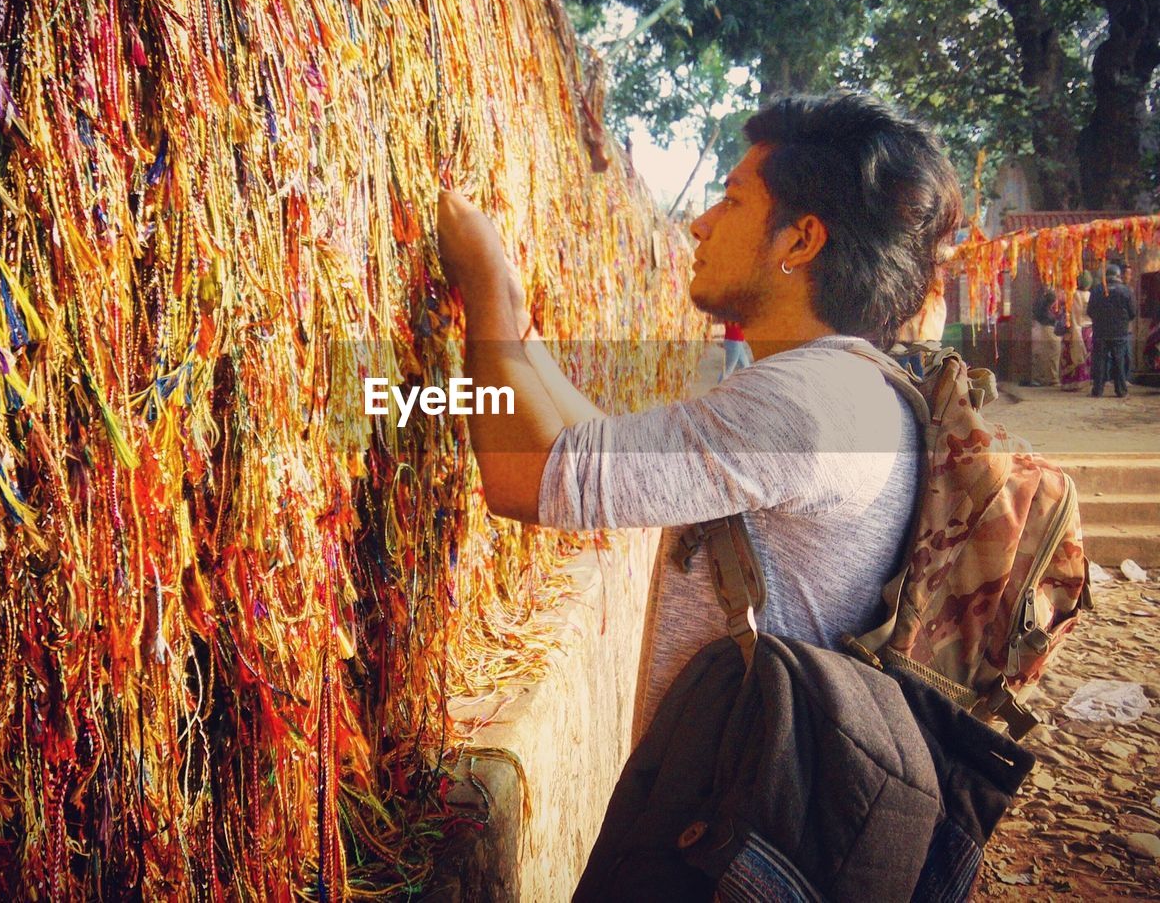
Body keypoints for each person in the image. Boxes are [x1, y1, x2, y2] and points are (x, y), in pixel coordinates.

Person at [435, 91, 963, 744]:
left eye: (734, 200)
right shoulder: (850, 386)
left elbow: (532, 475)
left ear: (801, 239)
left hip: (732, 836)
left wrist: (483, 279)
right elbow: (590, 448)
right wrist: (513, 320)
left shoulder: (805, 404)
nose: (700, 223)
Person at [1087, 263, 1137, 397]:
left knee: (1100, 361)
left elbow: (1090, 311)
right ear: (1118, 276)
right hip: (1120, 332)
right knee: (1119, 361)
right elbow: (1133, 312)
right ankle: (1121, 390)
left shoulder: (1096, 290)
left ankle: (1097, 390)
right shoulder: (1126, 291)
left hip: (1100, 332)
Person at [1060, 271, 1092, 389]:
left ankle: (1071, 383)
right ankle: (1083, 382)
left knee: (1071, 357)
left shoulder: (1075, 295)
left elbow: (1075, 317)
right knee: (1085, 357)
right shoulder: (1090, 295)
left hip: (1076, 329)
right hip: (1088, 331)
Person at [1029, 282, 1063, 387]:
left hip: (1038, 326)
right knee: (1054, 353)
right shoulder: (1050, 292)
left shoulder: (1041, 292)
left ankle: (1038, 378)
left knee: (1039, 354)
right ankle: (1052, 379)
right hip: (1049, 326)